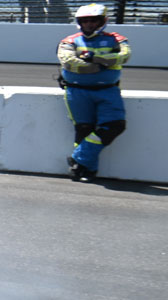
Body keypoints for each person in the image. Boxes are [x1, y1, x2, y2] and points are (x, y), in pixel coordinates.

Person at [56, 3, 132, 183]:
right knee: (83, 129)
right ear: (79, 22)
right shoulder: (69, 40)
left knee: (115, 126)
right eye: (85, 21)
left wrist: (96, 58)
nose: (89, 24)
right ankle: (85, 170)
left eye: (93, 21)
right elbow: (69, 63)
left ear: (102, 21)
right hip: (76, 92)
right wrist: (103, 65)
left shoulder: (117, 39)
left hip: (108, 91)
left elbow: (124, 56)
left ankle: (78, 159)